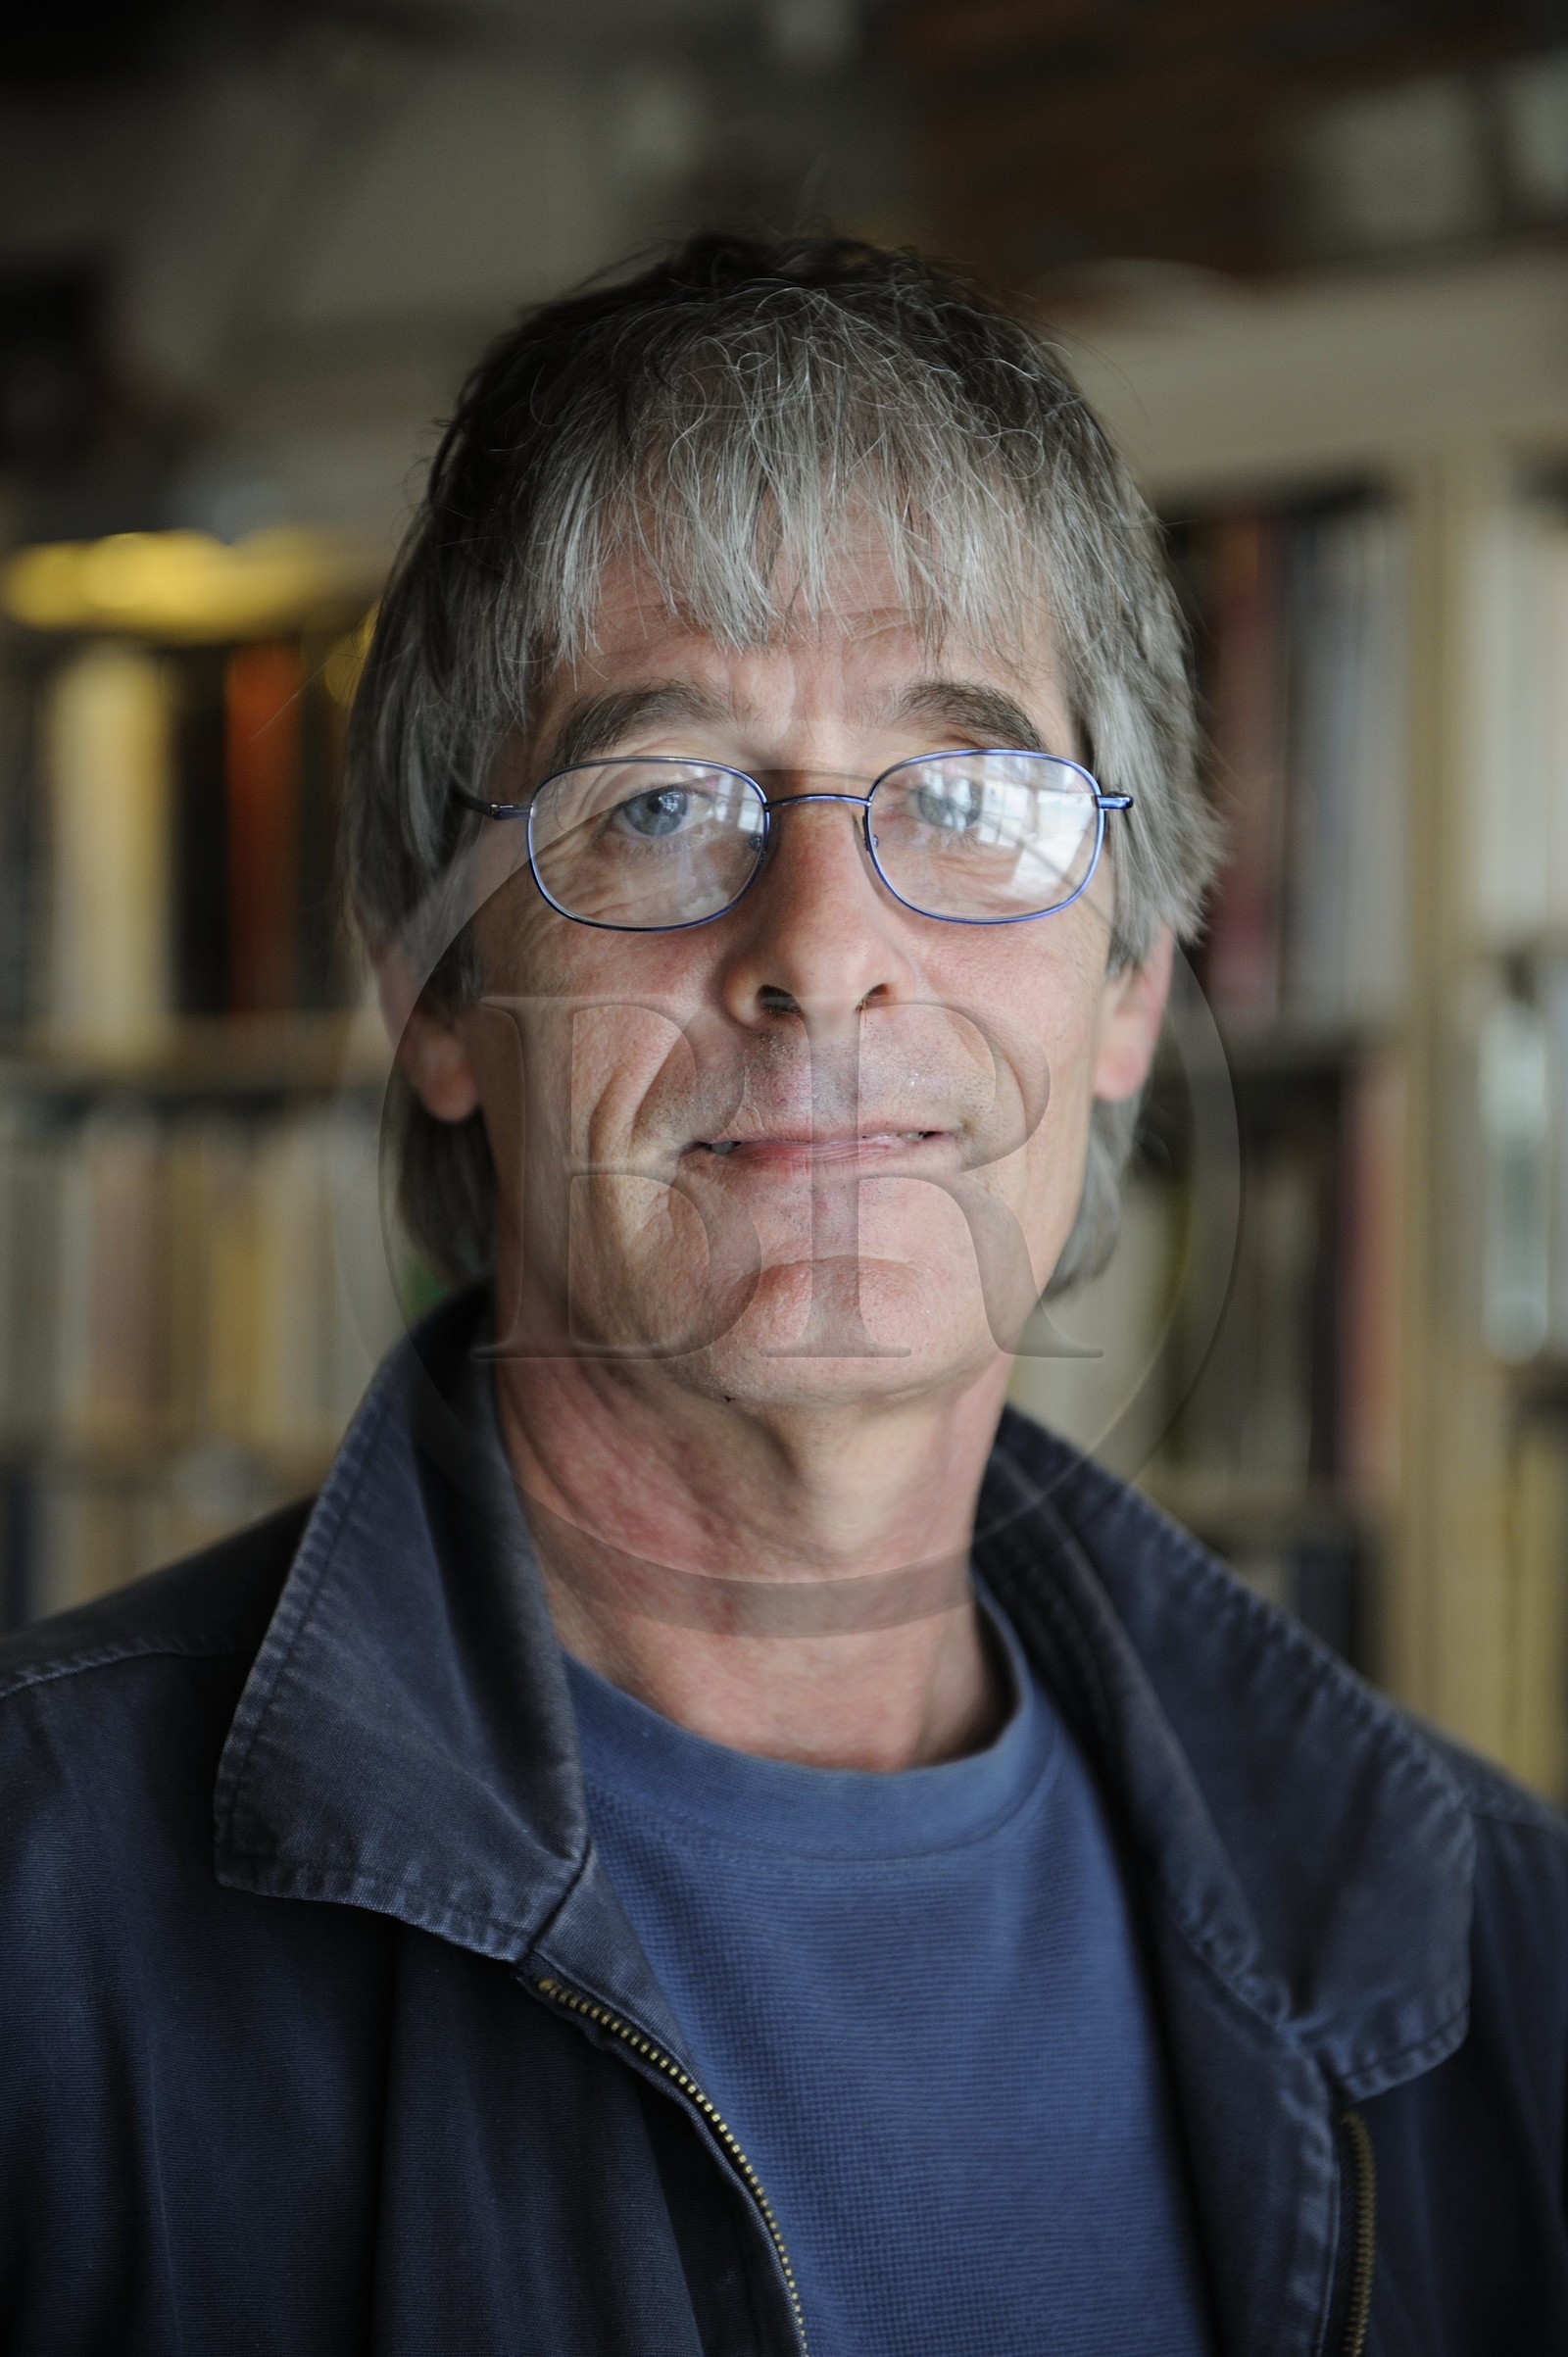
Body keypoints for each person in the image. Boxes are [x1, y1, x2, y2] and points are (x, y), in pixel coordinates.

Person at [2, 235, 1564, 2357]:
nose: (823, 948)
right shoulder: (39, 1920)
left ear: (1128, 986)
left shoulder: (1501, 1960)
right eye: (661, 803)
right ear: (440, 996)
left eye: (971, 797)